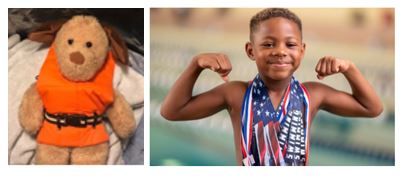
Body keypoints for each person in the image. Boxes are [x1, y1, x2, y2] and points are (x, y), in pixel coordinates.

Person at [160, 8, 383, 166]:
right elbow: (171, 111)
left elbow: (372, 108)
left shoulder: (313, 94)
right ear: (250, 51)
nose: (280, 51)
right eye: (268, 44)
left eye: (290, 44)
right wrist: (195, 65)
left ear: (302, 50)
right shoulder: (236, 94)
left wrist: (350, 68)